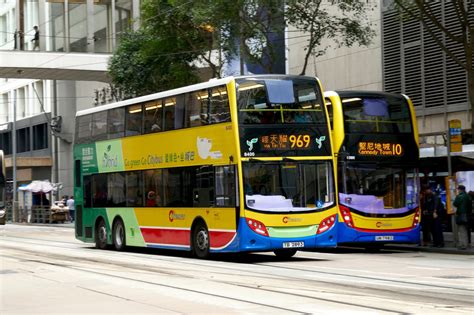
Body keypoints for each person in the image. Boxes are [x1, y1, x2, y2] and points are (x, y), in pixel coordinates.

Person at [453, 185, 472, 250]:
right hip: (468, 215)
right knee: (467, 230)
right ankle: (467, 243)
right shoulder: (468, 196)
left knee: (462, 230)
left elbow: (455, 204)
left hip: (461, 215)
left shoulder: (459, 196)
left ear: (460, 190)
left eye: (458, 189)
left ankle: (463, 245)